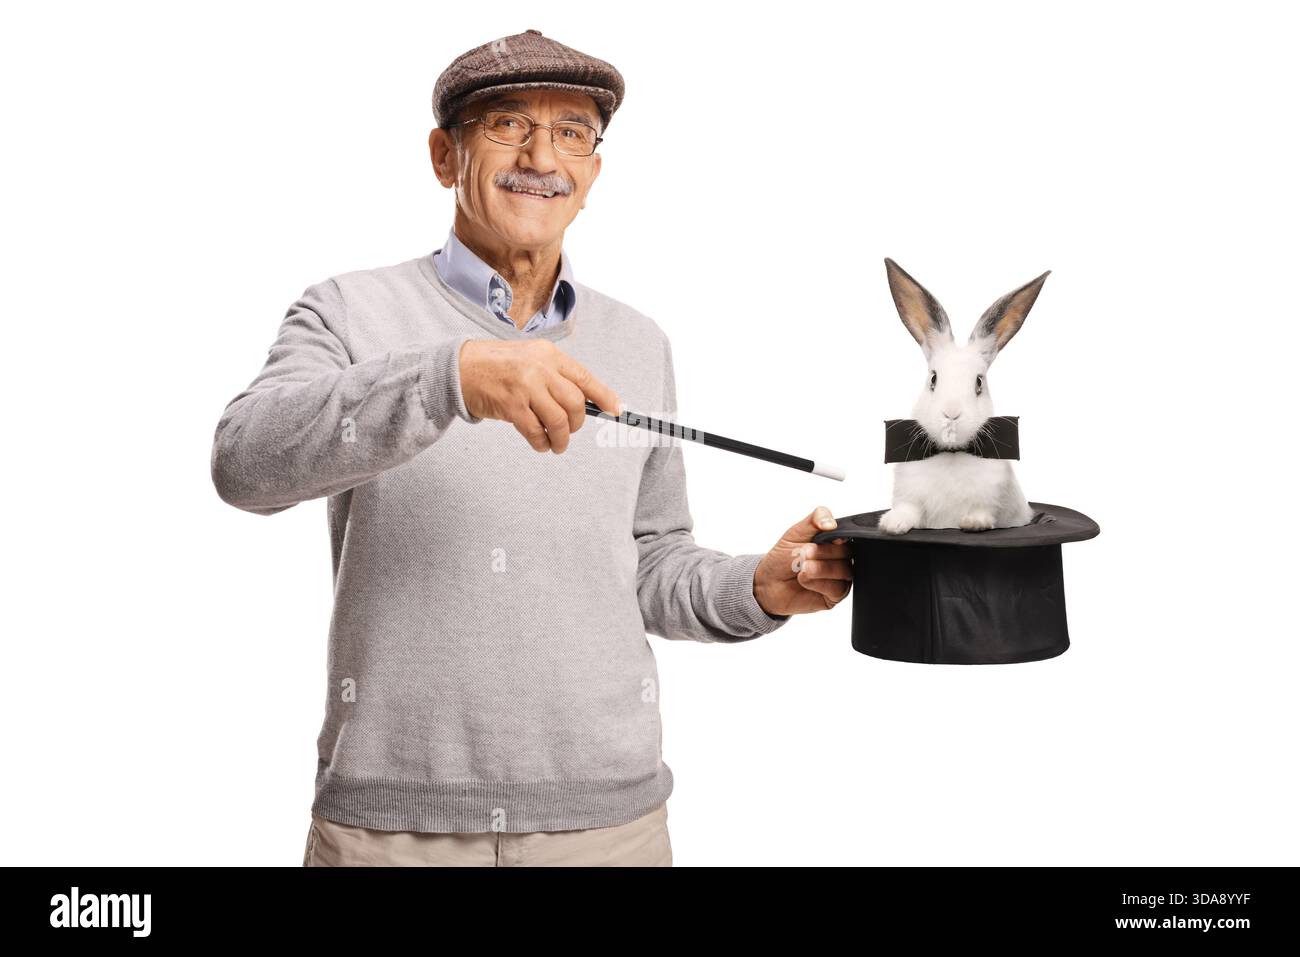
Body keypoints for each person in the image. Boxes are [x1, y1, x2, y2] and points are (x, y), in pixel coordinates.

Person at [210, 28, 852, 867]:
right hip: (391, 834)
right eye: (507, 124)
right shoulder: (345, 311)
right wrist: (453, 377)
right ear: (446, 156)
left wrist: (756, 588)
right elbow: (244, 463)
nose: (541, 155)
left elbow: (651, 564)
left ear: (591, 171)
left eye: (573, 132)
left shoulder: (640, 341)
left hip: (608, 829)